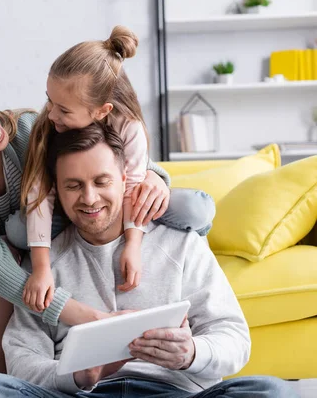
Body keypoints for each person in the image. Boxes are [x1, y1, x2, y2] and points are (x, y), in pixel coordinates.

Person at [0, 124, 297, 398]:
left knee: (274, 391)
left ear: (125, 180)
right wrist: (78, 374)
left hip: (174, 391)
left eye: (101, 182)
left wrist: (191, 353)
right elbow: (22, 356)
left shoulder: (182, 244)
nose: (89, 199)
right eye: (73, 186)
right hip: (82, 394)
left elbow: (234, 338)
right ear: (56, 189)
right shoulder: (44, 262)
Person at [0, 86, 173, 397]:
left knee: (15, 238)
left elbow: (99, 152)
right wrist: (94, 319)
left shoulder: (25, 129)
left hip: (28, 243)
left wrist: (154, 175)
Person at [14, 25, 215, 313]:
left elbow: (131, 186)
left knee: (196, 210)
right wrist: (42, 267)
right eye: (49, 101)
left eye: (64, 110)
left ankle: (193, 253)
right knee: (19, 233)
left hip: (124, 200)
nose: (51, 114)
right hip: (70, 207)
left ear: (102, 111)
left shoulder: (128, 127)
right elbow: (39, 196)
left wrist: (133, 243)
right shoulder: (49, 125)